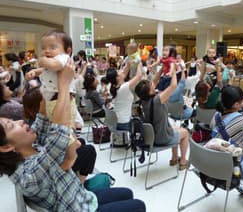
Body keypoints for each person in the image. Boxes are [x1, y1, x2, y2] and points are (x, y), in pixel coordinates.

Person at [0, 59, 146, 212]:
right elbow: (59, 134)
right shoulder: (28, 176)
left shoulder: (31, 148)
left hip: (81, 197)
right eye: (12, 125)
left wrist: (47, 76)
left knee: (127, 193)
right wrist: (63, 86)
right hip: (80, 208)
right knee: (139, 206)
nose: (20, 122)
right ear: (6, 146)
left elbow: (43, 112)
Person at [25, 30, 77, 170]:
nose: (47, 51)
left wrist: (41, 60)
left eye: (52, 47)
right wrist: (36, 71)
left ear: (68, 50)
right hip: (51, 101)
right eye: (43, 48)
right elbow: (48, 70)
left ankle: (72, 155)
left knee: (62, 130)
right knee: (55, 128)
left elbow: (55, 66)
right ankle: (73, 143)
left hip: (60, 100)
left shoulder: (64, 58)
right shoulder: (52, 61)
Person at [211, 86, 243, 205]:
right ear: (236, 104)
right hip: (230, 171)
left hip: (211, 165)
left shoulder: (216, 116)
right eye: (242, 100)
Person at [135, 63, 189, 170]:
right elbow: (173, 86)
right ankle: (183, 161)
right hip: (161, 138)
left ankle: (174, 158)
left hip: (151, 137)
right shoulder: (157, 100)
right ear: (150, 91)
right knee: (186, 133)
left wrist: (162, 69)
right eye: (150, 85)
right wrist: (173, 71)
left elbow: (154, 82)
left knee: (176, 128)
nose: (152, 83)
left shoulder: (143, 101)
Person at [105, 62, 142, 131]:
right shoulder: (124, 88)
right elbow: (139, 76)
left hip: (118, 120)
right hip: (124, 122)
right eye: (118, 72)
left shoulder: (112, 86)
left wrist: (129, 61)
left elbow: (124, 73)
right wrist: (139, 64)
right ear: (117, 78)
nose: (120, 71)